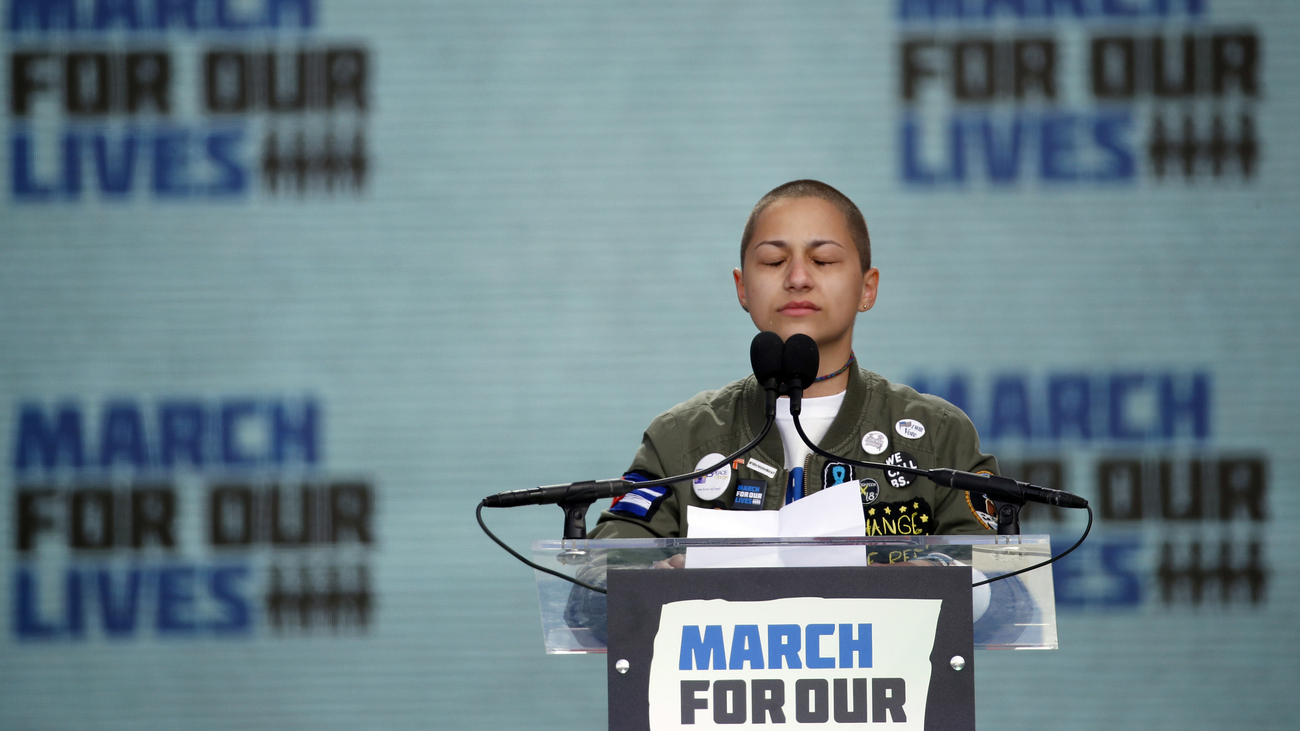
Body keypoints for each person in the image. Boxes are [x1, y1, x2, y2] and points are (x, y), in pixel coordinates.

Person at [587, 180, 998, 543]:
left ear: (867, 289)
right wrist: (666, 575)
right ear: (743, 287)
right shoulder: (680, 440)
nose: (798, 278)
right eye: (773, 261)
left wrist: (927, 572)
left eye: (822, 261)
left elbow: (1001, 587)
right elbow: (598, 583)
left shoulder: (940, 439)